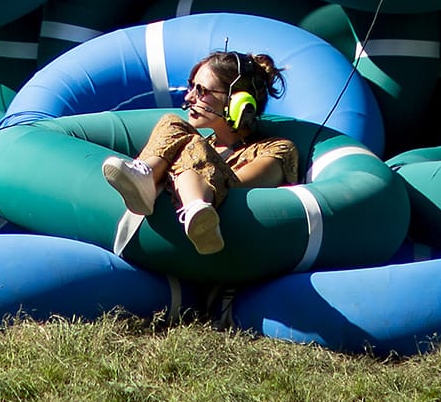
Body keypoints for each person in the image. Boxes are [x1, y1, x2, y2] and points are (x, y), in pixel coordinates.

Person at [96, 50, 299, 254]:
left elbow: (237, 187)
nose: (189, 97)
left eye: (201, 91)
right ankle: (145, 176)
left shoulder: (277, 149)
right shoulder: (198, 143)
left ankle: (198, 212)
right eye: (191, 87)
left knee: (190, 143)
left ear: (237, 102)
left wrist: (184, 167)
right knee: (171, 121)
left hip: (239, 244)